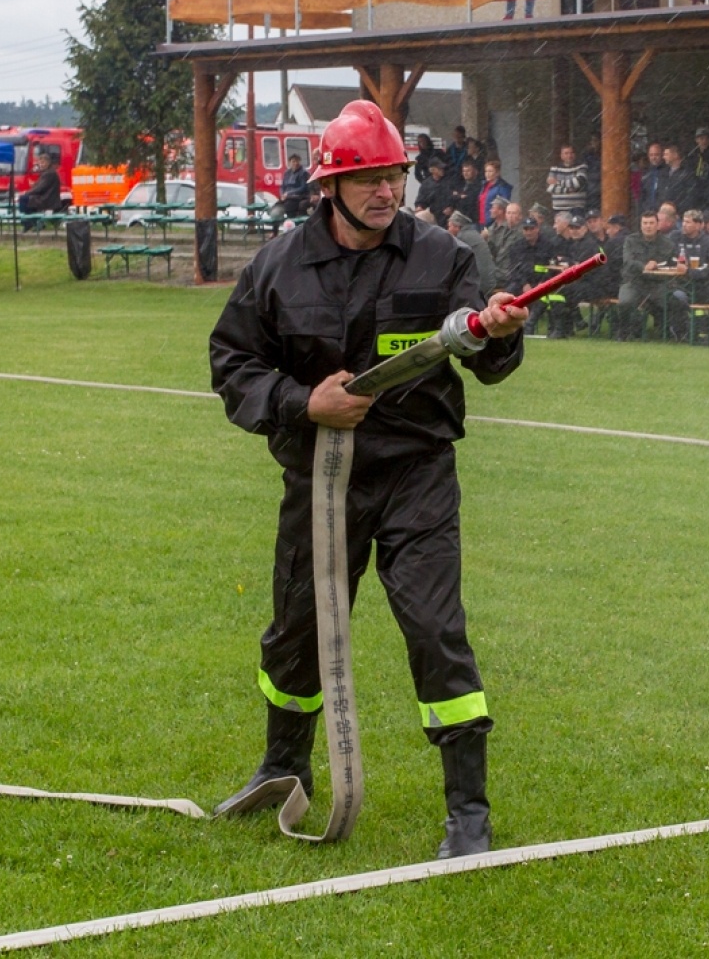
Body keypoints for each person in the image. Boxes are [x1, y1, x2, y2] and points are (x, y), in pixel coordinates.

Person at [208, 100, 527, 859]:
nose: (387, 192)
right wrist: (301, 401)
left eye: (395, 176)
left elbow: (485, 363)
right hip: (319, 480)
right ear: (332, 185)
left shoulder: (442, 254)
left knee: (433, 628)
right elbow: (232, 363)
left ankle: (468, 813)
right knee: (297, 632)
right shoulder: (277, 266)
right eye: (370, 178)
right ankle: (283, 768)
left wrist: (498, 338)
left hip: (415, 474)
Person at [619, 210, 677, 340]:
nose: (648, 226)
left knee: (673, 302)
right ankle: (624, 332)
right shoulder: (630, 240)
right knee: (625, 302)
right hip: (634, 282)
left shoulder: (668, 244)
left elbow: (673, 263)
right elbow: (628, 261)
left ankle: (670, 332)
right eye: (645, 223)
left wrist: (679, 265)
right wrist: (644, 266)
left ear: (657, 225)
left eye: (651, 223)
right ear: (640, 225)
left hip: (657, 283)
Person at [446, 209, 497, 298]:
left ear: (457, 227)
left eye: (450, 226)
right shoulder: (472, 234)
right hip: (488, 280)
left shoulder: (461, 238)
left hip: (480, 284)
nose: (448, 230)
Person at [19, 153, 63, 229]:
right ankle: (32, 222)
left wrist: (26, 192)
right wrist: (33, 185)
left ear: (48, 163)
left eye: (43, 163)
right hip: (46, 198)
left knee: (23, 199)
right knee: (25, 200)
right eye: (39, 163)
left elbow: (40, 188)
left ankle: (28, 223)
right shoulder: (48, 172)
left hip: (47, 200)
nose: (41, 165)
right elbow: (40, 186)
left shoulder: (49, 173)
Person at [545, 145, 590, 217]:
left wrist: (558, 182)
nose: (569, 155)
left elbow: (578, 182)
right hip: (559, 209)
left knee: (576, 227)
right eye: (566, 153)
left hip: (577, 209)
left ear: (575, 155)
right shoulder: (555, 168)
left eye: (571, 153)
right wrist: (569, 190)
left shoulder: (581, 167)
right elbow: (550, 188)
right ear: (561, 156)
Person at [688, 128, 709, 212]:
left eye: (706, 138)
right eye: (701, 139)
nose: (704, 141)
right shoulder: (692, 156)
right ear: (696, 140)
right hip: (696, 191)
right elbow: (690, 173)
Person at [414, 158, 455, 226]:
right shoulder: (426, 184)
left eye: (442, 168)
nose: (442, 170)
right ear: (432, 170)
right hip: (434, 215)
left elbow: (456, 197)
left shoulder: (449, 182)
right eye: (439, 168)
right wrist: (419, 207)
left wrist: (452, 208)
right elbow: (421, 201)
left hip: (448, 217)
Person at [661, 144, 697, 214]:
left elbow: (690, 196)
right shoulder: (664, 173)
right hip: (665, 213)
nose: (663, 157)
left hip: (679, 214)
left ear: (675, 155)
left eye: (666, 154)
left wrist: (678, 211)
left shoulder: (687, 173)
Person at [477, 160, 512, 225]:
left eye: (490, 171)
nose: (487, 174)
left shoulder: (503, 187)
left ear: (497, 173)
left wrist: (493, 221)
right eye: (486, 171)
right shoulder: (484, 185)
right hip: (481, 222)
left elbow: (503, 206)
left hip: (494, 222)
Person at [639, 143, 669, 217]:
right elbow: (642, 195)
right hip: (648, 213)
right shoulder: (645, 173)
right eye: (651, 155)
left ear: (662, 155)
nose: (654, 157)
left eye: (656, 155)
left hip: (663, 213)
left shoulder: (668, 172)